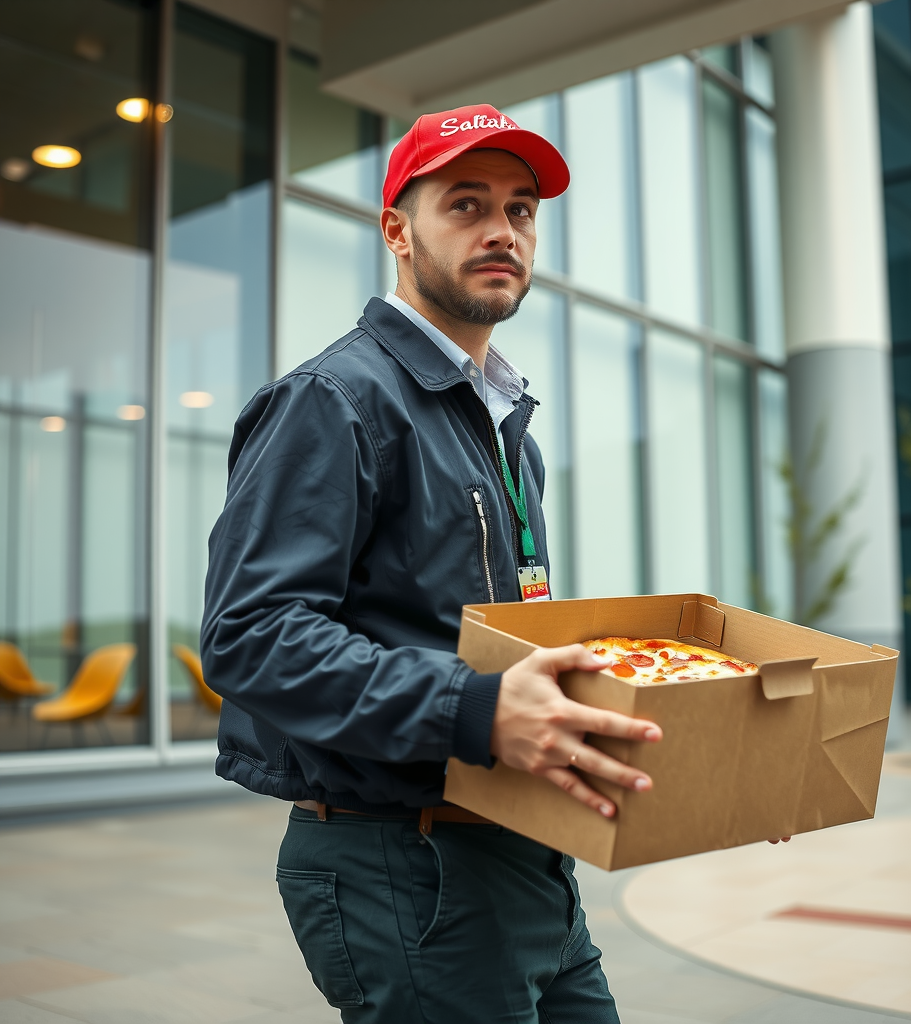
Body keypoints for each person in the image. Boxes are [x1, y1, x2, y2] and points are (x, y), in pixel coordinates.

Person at [201, 103, 664, 1023]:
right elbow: (251, 638)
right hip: (402, 867)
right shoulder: (333, 400)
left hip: (526, 859)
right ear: (397, 232)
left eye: (522, 209)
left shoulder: (506, 428)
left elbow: (496, 647)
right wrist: (478, 709)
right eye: (466, 203)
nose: (503, 229)